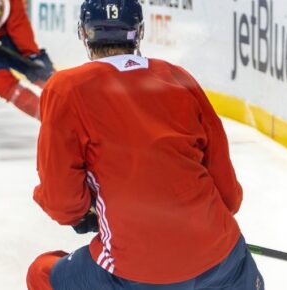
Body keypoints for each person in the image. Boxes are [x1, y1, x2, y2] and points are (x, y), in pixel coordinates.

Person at [27, 0, 265, 289]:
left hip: (136, 272)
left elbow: (62, 200)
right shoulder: (177, 76)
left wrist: (83, 214)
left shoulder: (65, 89)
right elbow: (228, 195)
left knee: (41, 273)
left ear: (84, 34)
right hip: (226, 262)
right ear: (139, 32)